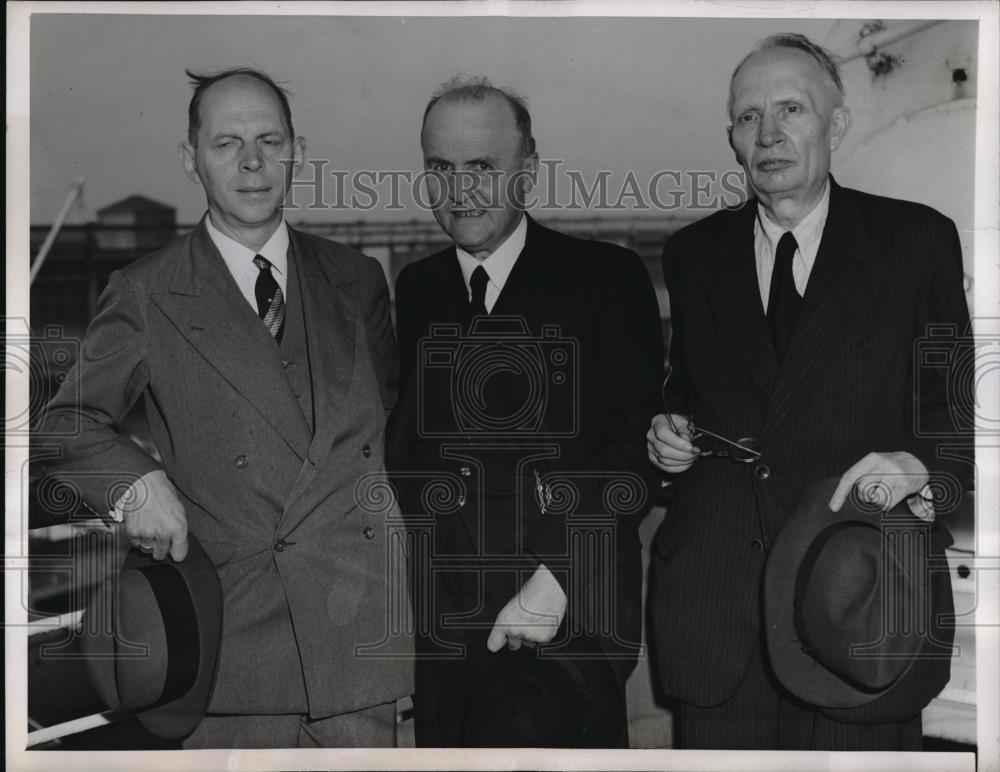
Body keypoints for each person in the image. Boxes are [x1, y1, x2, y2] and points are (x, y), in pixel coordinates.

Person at [38, 68, 412, 748]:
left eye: (270, 140)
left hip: (359, 644)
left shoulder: (358, 280)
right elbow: (65, 424)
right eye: (226, 143)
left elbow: (376, 423)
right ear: (191, 159)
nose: (251, 162)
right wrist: (134, 482)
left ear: (297, 150)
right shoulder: (147, 292)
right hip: (234, 652)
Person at [646, 34, 972, 750]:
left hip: (858, 611)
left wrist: (917, 468)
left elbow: (958, 424)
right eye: (746, 117)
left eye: (791, 109)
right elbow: (688, 396)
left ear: (838, 124)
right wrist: (668, 437)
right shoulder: (693, 255)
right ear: (731, 138)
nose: (768, 135)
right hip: (718, 621)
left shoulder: (915, 244)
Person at [387, 77, 664, 747]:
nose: (461, 191)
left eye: (482, 167)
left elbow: (631, 455)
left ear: (529, 171)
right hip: (448, 639)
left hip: (567, 628)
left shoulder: (606, 278)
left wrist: (556, 581)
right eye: (440, 169)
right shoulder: (418, 288)